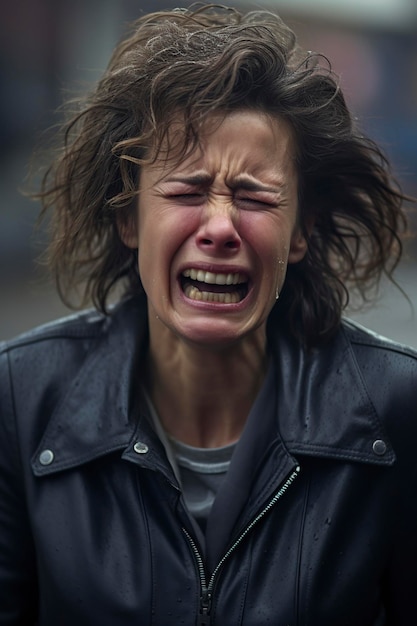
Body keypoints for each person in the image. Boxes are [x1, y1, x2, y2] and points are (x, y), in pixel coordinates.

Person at [0, 3, 416, 624]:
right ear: (127, 217)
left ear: (299, 231)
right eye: (187, 191)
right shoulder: (21, 399)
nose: (220, 227)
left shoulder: (394, 408)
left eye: (254, 196)